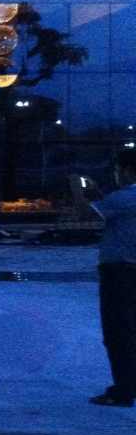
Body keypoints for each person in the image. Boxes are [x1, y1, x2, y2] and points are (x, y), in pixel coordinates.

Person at [88, 149, 136, 407]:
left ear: (126, 171)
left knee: (118, 331)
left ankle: (123, 390)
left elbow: (87, 216)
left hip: (120, 270)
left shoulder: (125, 197)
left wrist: (79, 190)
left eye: (117, 171)